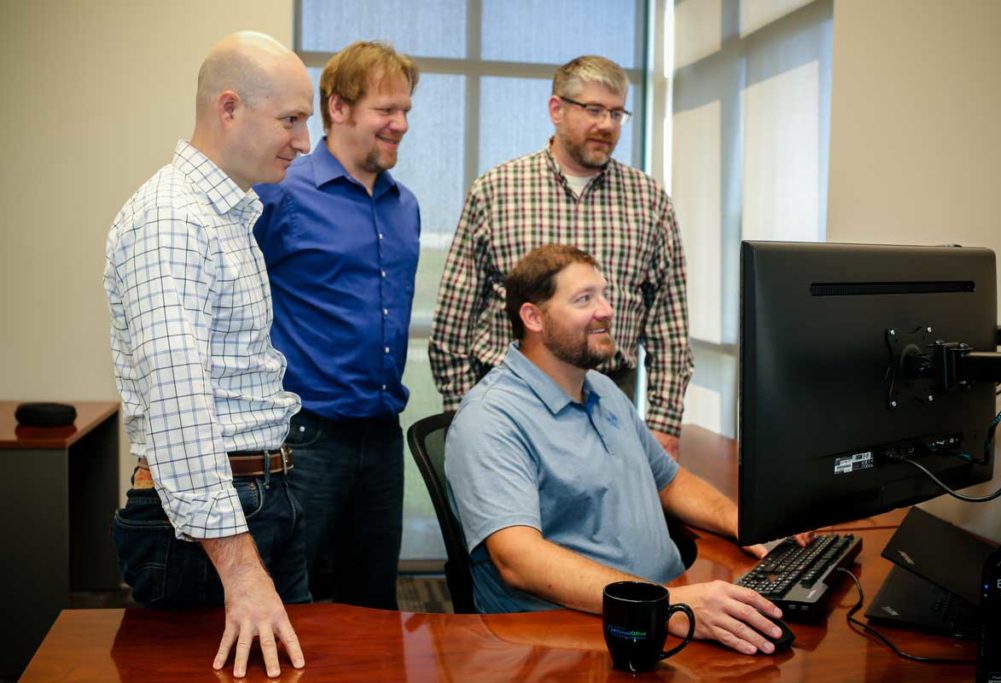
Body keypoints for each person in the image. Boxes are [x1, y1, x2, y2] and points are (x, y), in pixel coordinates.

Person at [445, 245, 810, 655]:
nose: (605, 310)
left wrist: (743, 521)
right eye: (584, 299)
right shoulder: (490, 419)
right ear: (533, 317)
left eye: (604, 295)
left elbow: (667, 480)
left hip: (664, 604)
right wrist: (668, 604)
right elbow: (518, 560)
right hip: (569, 637)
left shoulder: (601, 389)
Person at [103, 32, 313, 678]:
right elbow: (178, 407)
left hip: (257, 499)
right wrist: (240, 566)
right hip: (206, 532)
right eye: (291, 120)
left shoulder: (228, 216)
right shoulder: (173, 218)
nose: (304, 143)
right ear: (229, 108)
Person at [430, 54, 694, 459]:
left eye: (616, 113)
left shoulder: (649, 201)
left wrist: (663, 423)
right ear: (556, 109)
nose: (606, 125)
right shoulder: (497, 191)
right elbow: (452, 325)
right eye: (593, 110)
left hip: (607, 402)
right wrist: (465, 412)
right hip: (508, 400)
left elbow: (669, 328)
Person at [253, 41, 420, 609]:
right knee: (290, 598)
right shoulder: (280, 193)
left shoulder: (406, 205)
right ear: (339, 108)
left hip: (381, 436)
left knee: (372, 602)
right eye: (386, 110)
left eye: (406, 111)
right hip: (307, 438)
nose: (399, 124)